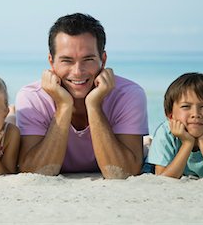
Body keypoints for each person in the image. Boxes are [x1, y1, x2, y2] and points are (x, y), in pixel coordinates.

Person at [16, 13, 149, 178]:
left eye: (88, 59)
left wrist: (94, 105)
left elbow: (124, 173)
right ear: (51, 62)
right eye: (67, 60)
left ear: (103, 59)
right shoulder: (32, 97)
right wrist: (64, 106)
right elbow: (36, 173)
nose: (78, 72)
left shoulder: (129, 94)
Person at [146, 72, 203, 181]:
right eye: (186, 106)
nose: (195, 114)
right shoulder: (164, 133)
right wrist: (187, 143)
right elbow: (163, 178)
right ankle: (148, 145)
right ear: (170, 115)